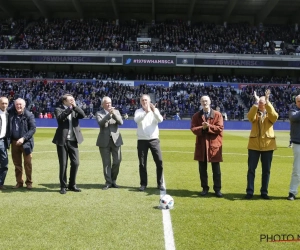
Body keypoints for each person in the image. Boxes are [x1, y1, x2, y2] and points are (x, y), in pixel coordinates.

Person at [245, 90, 278, 200]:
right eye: (259, 102)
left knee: (266, 170)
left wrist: (268, 101)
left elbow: (275, 116)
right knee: (251, 169)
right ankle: (249, 191)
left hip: (268, 146)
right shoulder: (255, 113)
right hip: (254, 145)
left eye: (261, 103)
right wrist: (255, 102)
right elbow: (250, 117)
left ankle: (264, 192)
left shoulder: (270, 115)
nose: (260, 104)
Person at [191, 95, 224, 198]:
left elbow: (220, 128)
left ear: (210, 102)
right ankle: (204, 188)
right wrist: (203, 128)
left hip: (214, 145)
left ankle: (217, 189)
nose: (204, 103)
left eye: (206, 101)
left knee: (216, 170)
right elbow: (193, 129)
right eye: (202, 101)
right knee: (202, 169)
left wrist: (208, 127)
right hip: (202, 146)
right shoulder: (196, 116)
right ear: (200, 103)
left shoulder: (218, 115)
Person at [52, 94, 85, 194]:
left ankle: (72, 184)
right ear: (64, 102)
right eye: (70, 100)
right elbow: (60, 118)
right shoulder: (59, 109)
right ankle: (63, 186)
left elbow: (83, 115)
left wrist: (74, 107)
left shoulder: (75, 109)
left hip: (73, 140)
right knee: (63, 164)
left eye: (73, 99)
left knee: (76, 163)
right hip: (62, 140)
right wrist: (70, 109)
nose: (72, 101)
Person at [134, 94, 165, 192]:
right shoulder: (138, 111)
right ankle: (143, 184)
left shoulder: (155, 111)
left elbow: (160, 119)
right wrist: (146, 112)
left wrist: (154, 111)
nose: (144, 102)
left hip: (154, 139)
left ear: (149, 101)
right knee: (142, 163)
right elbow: (136, 120)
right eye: (142, 100)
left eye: (146, 100)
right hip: (142, 140)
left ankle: (160, 183)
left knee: (159, 162)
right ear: (140, 102)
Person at [96, 96, 123, 190]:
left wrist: (114, 114)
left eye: (110, 103)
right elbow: (101, 123)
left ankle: (113, 180)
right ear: (103, 104)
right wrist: (109, 115)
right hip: (104, 141)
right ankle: (108, 182)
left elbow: (120, 122)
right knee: (106, 163)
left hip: (116, 140)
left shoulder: (117, 112)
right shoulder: (99, 113)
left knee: (117, 160)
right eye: (107, 103)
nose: (109, 104)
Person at [8, 98, 36, 190]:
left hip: (26, 143)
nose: (18, 106)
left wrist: (23, 138)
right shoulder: (11, 113)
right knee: (17, 164)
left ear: (24, 105)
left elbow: (33, 129)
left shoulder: (29, 115)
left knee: (28, 163)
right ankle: (19, 182)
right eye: (17, 104)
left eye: (20, 104)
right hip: (14, 142)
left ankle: (29, 182)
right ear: (14, 105)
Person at [287, 95, 300, 200]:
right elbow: (294, 118)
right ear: (296, 102)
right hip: (297, 143)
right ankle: (292, 192)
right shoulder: (293, 110)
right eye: (299, 101)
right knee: (297, 169)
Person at [0, 97, 9, 190]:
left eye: (6, 103)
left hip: (2, 141)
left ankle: (0, 183)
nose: (4, 105)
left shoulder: (7, 113)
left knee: (5, 164)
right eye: (2, 103)